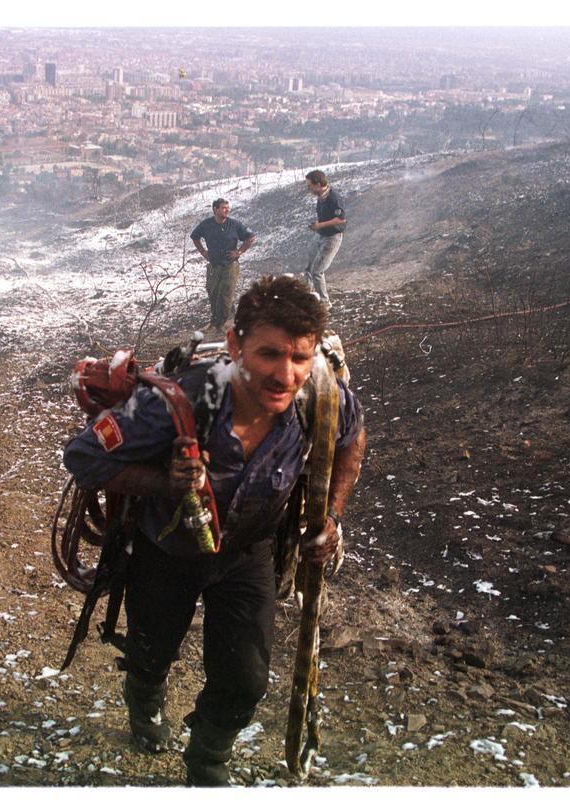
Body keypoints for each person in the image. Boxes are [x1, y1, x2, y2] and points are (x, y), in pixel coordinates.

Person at [62, 275, 367, 786]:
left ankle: (207, 760)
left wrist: (331, 515)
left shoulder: (322, 395)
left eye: (298, 358)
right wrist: (163, 482)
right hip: (168, 549)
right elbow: (84, 455)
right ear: (234, 345)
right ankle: (145, 698)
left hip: (249, 553)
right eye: (268, 354)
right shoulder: (176, 402)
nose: (284, 373)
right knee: (150, 649)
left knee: (246, 680)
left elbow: (352, 441)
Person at [190, 198, 256, 333]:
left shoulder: (235, 225)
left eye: (228, 207)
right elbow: (194, 236)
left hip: (230, 265)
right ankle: (214, 322)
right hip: (214, 264)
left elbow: (251, 237)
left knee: (226, 294)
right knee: (213, 292)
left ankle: (221, 323)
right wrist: (203, 251)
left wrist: (239, 252)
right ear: (215, 209)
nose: (227, 210)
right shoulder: (206, 224)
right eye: (224, 208)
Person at [302, 169, 347, 309]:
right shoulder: (321, 197)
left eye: (310, 186)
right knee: (309, 268)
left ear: (319, 184)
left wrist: (320, 225)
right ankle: (306, 296)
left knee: (317, 271)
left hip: (332, 237)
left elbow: (341, 219)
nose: (308, 189)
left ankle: (325, 303)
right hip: (320, 234)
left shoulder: (334, 198)